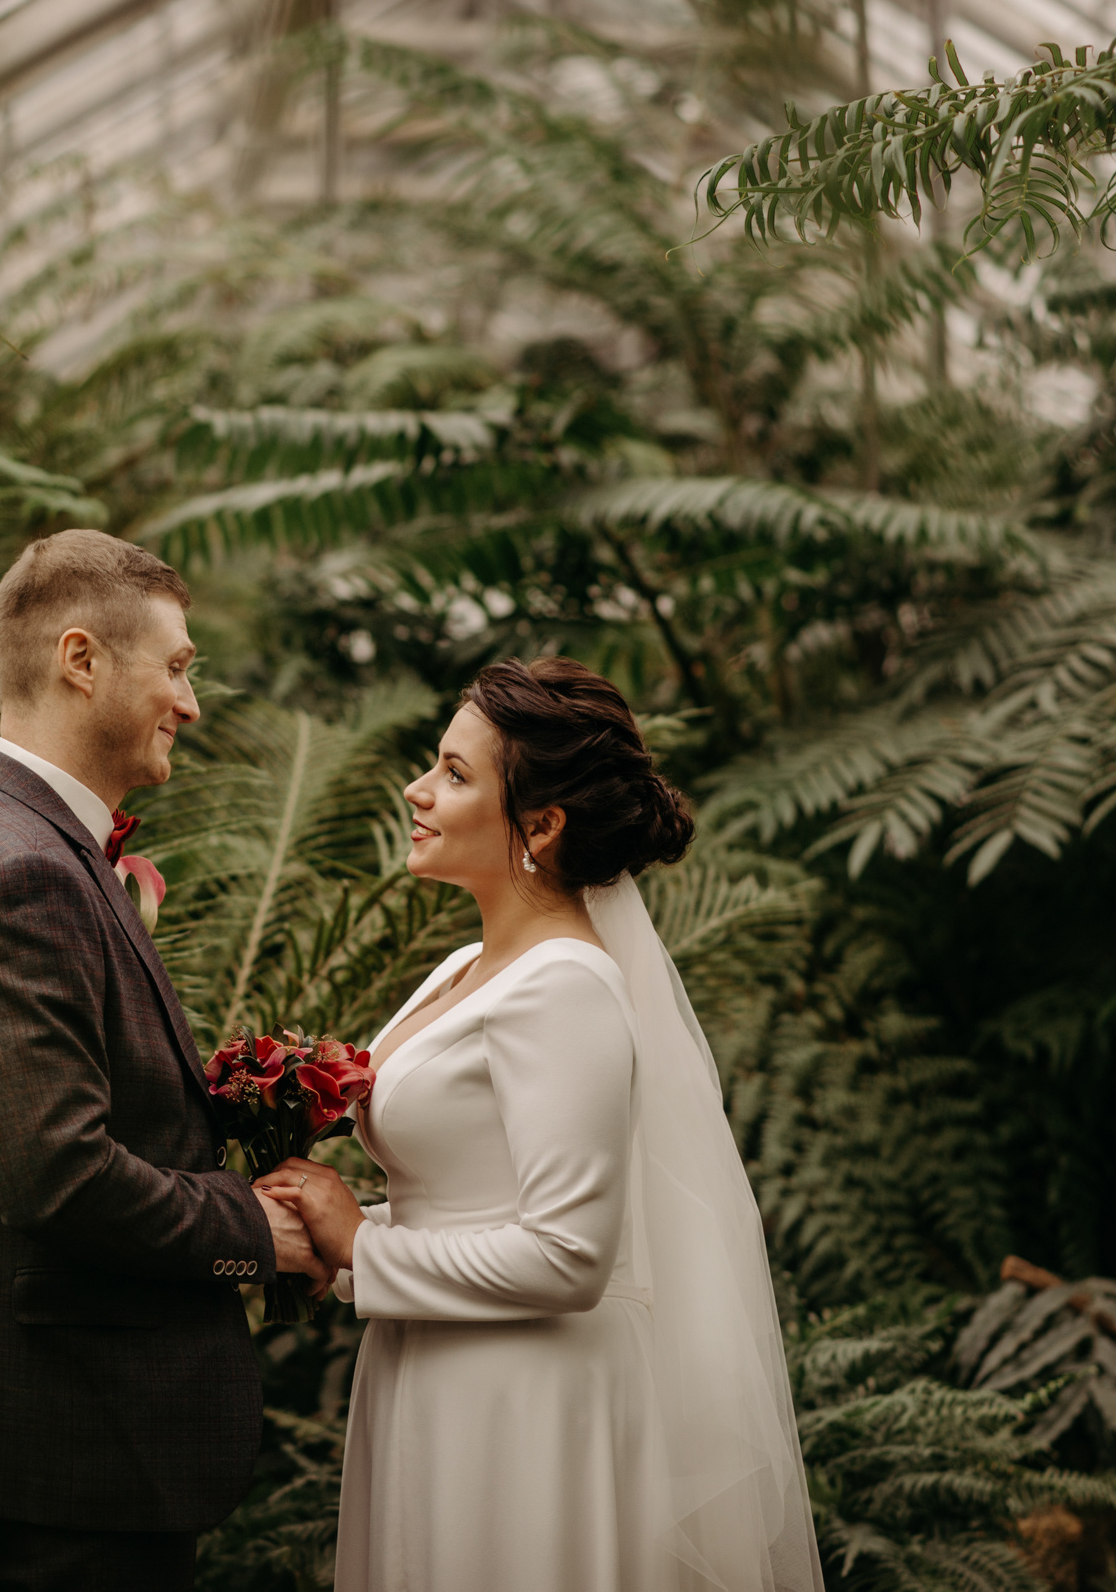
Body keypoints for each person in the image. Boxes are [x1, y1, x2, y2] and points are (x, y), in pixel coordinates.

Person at [0, 529, 325, 1592]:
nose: (192, 704)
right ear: (82, 661)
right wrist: (261, 1231)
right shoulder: (23, 877)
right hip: (64, 1456)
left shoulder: (1, 838)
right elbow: (61, 1174)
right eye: (179, 668)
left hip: (40, 1446)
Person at [256, 658, 826, 1592]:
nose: (418, 789)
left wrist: (362, 1242)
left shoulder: (567, 988)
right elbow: (475, 1200)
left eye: (454, 773)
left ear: (542, 825)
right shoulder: (460, 967)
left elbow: (568, 1254)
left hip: (520, 1400)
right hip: (434, 1366)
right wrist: (336, 1233)